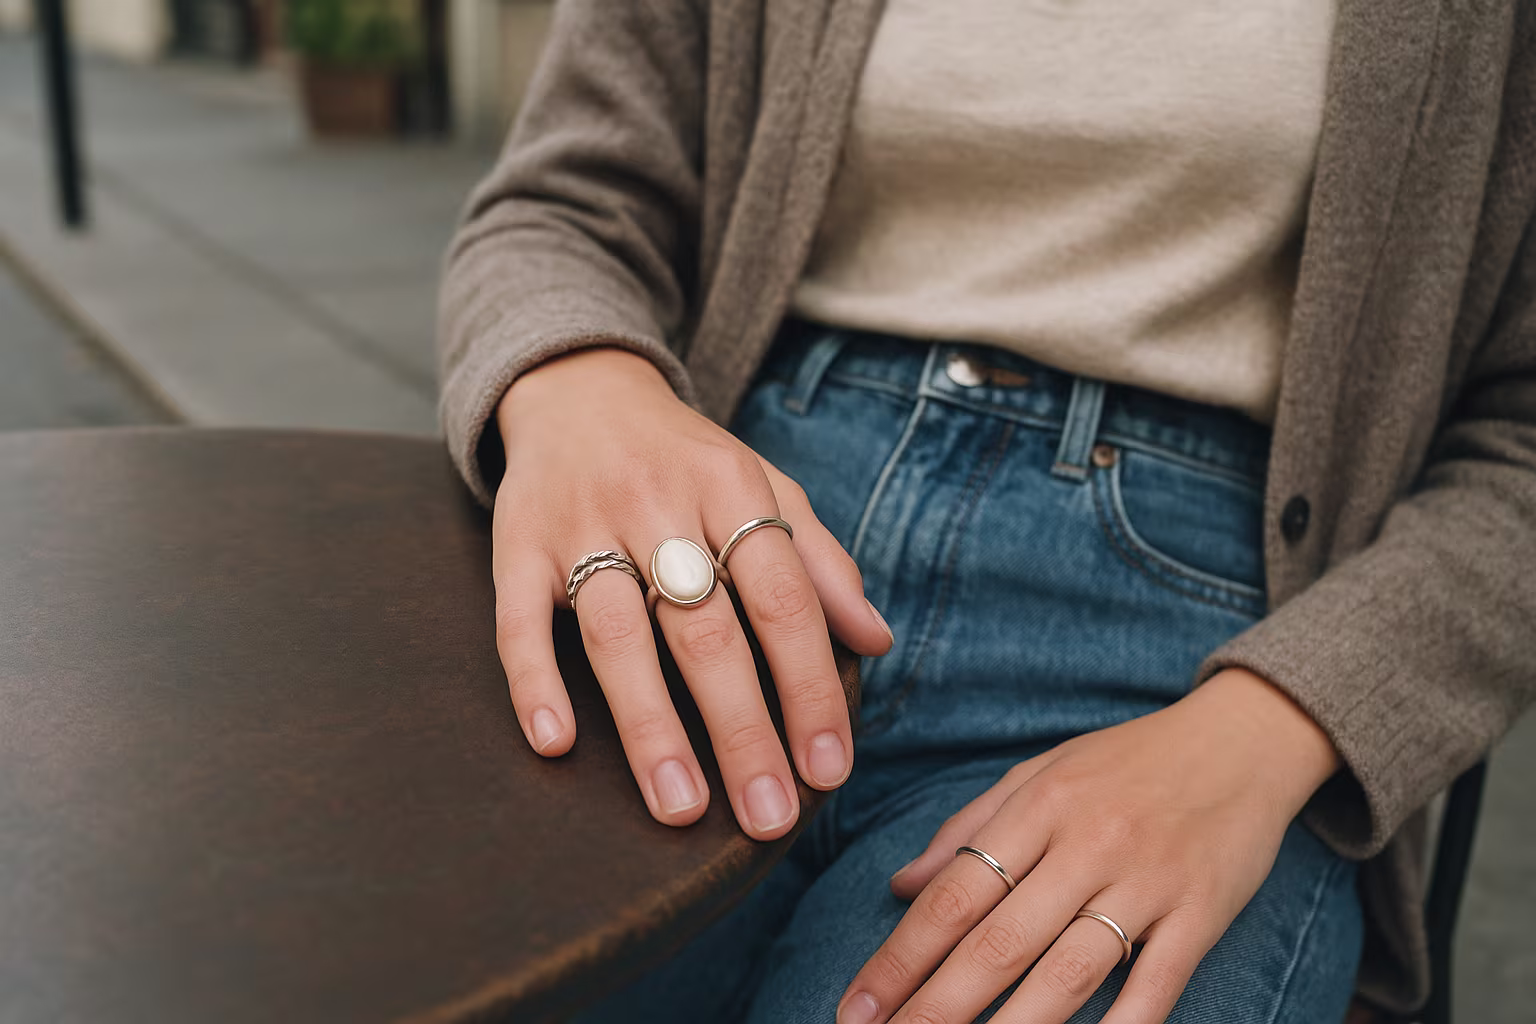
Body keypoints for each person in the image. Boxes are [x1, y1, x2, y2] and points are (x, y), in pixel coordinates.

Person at [435, 1, 1536, 1021]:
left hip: (1179, 668)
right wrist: (581, 379)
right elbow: (565, 202)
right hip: (720, 543)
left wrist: (1267, 731)